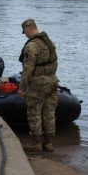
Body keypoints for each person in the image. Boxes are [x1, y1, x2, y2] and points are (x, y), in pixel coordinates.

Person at [18, 18, 59, 152]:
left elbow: (27, 70)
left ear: (29, 29)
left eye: (24, 32)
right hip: (52, 81)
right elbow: (54, 63)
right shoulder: (49, 43)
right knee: (49, 112)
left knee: (34, 111)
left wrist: (22, 88)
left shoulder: (32, 46)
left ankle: (35, 143)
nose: (24, 34)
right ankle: (48, 143)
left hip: (37, 83)